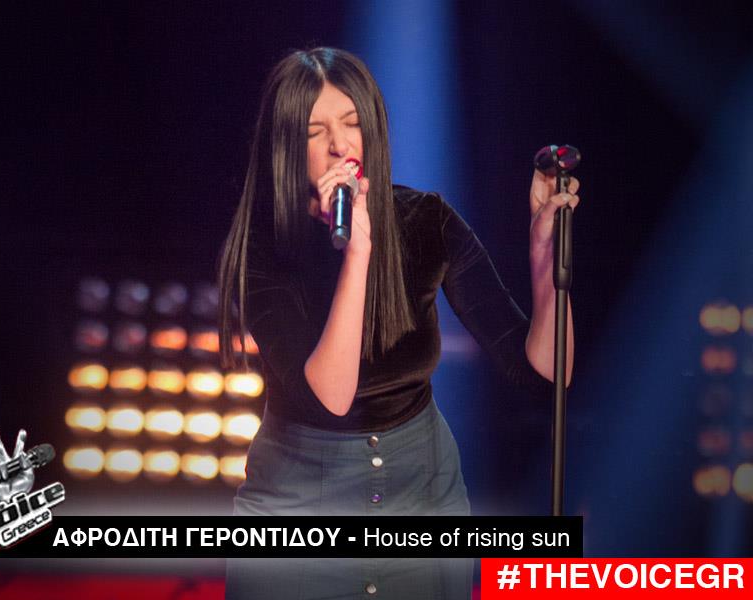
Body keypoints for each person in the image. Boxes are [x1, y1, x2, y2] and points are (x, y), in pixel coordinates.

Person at [218, 47, 578, 600]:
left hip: (423, 496)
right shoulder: (264, 248)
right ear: (286, 144)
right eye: (315, 131)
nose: (340, 145)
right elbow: (330, 398)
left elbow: (542, 374)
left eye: (352, 123)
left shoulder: (426, 221)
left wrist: (543, 256)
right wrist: (357, 254)